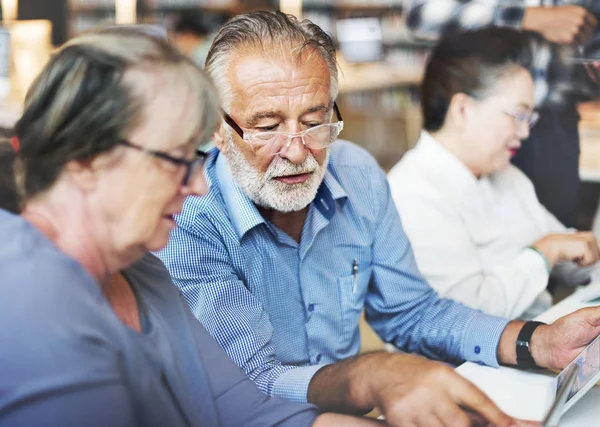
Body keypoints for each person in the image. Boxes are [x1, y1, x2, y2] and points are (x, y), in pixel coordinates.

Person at [158, 10, 600, 426]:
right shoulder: (187, 218)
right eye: (267, 127)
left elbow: (411, 313)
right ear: (217, 126)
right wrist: (370, 375)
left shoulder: (358, 174)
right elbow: (249, 386)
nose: (297, 152)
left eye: (315, 121)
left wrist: (536, 342)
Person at [0, 26, 381, 427]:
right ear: (84, 159)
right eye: (176, 160)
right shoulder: (28, 298)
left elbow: (250, 412)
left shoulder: (143, 274)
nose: (199, 186)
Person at [387, 28, 600, 320]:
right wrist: (544, 253)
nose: (525, 132)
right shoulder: (413, 194)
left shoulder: (507, 176)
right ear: (462, 109)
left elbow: (570, 250)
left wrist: (580, 251)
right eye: (518, 115)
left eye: (530, 118)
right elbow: (465, 319)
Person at [405, 0, 600, 229]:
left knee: (550, 231)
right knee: (466, 229)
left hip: (555, 124)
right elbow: (420, 13)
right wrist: (527, 17)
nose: (523, 132)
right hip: (481, 117)